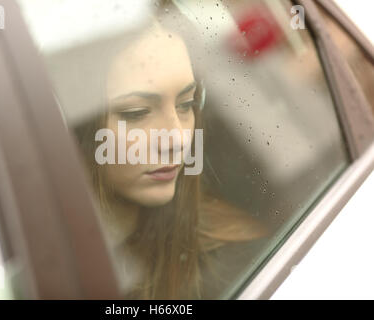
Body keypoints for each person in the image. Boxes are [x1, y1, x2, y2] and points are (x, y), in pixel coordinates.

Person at [71, 3, 268, 299]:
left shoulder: (235, 260)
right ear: (80, 130)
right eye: (138, 113)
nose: (176, 139)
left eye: (187, 104)